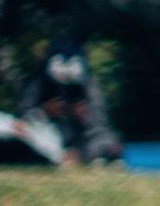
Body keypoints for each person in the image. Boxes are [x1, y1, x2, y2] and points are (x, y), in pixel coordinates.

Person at [19, 36, 122, 166]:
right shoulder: (38, 83)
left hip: (82, 140)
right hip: (46, 138)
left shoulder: (88, 85)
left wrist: (84, 116)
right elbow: (22, 119)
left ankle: (99, 157)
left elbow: (100, 124)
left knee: (107, 141)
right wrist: (43, 111)